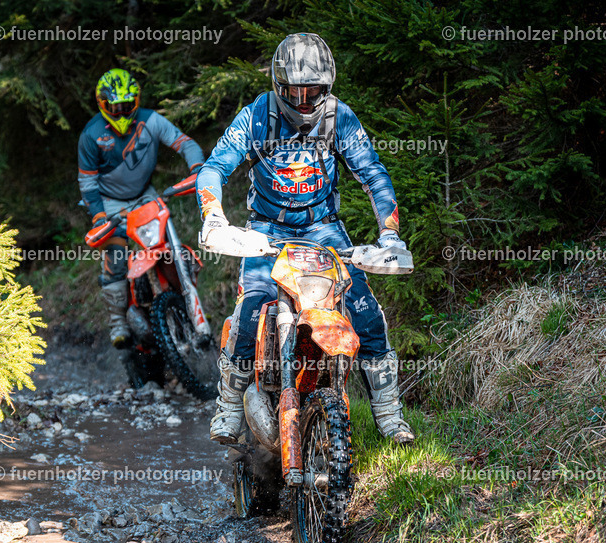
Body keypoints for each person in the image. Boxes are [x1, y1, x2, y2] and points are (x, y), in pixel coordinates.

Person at [195, 32, 415, 444]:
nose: (301, 101)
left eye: (310, 91)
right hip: (267, 227)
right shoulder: (256, 116)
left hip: (322, 226)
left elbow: (372, 174)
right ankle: (228, 404)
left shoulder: (338, 117)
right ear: (277, 86)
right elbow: (214, 167)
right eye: (292, 91)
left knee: (365, 308)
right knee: (252, 304)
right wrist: (214, 218)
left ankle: (388, 412)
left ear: (326, 88)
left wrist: (389, 235)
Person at [79, 68, 204, 347]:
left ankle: (184, 293)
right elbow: (87, 184)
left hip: (144, 196)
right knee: (115, 254)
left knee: (168, 245)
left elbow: (186, 143)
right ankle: (117, 323)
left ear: (135, 102)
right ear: (103, 105)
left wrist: (197, 168)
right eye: (115, 107)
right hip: (109, 201)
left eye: (126, 106)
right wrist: (99, 216)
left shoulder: (151, 120)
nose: (121, 113)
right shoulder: (91, 134)